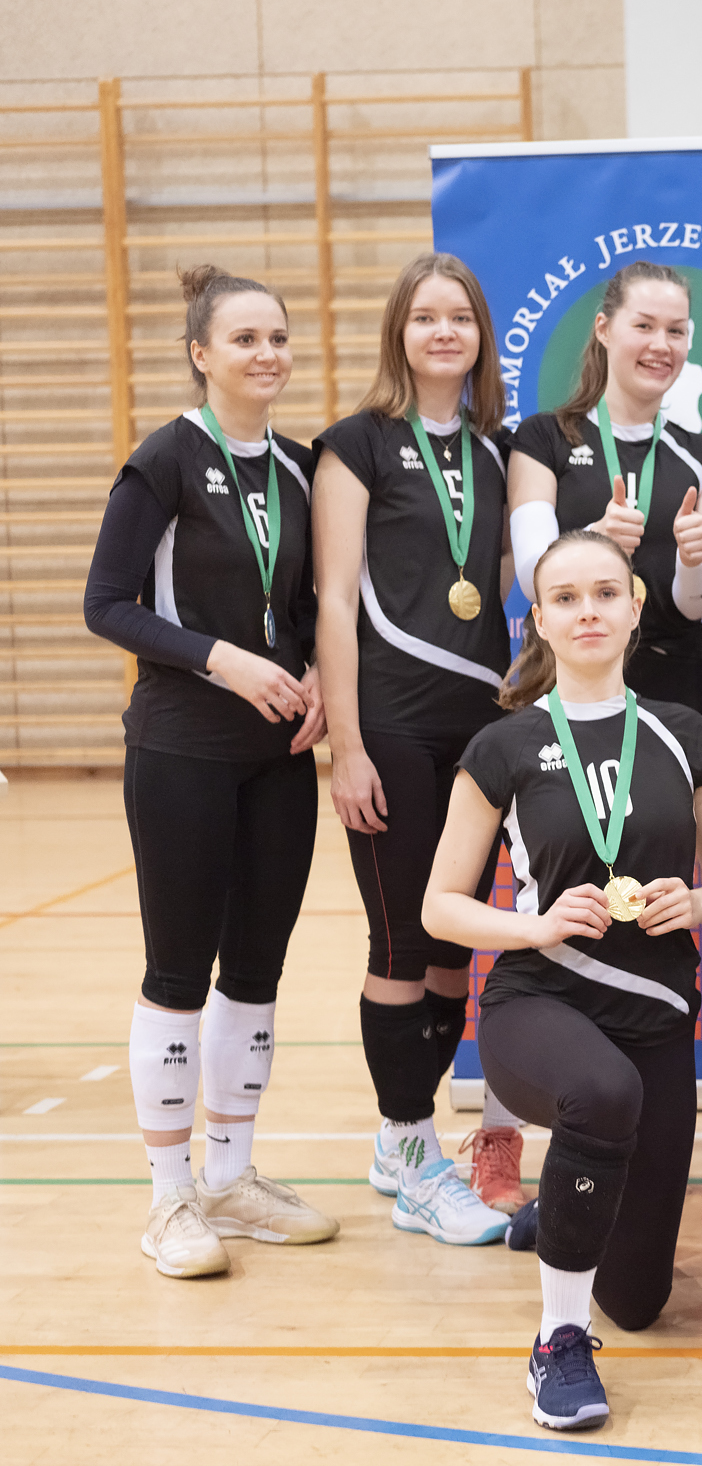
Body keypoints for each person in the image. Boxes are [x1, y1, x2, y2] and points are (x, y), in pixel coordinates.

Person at [421, 528, 702, 1431]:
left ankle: (553, 1218)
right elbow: (440, 907)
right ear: (540, 623)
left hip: (657, 1014)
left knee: (639, 1300)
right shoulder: (503, 746)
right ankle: (557, 1341)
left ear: (637, 608)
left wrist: (701, 902)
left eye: (605, 593)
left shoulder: (685, 736)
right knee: (601, 1091)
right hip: (539, 1000)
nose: (588, 610)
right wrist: (534, 924)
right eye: (565, 598)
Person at [83, 264, 336, 1278]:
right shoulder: (165, 461)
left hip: (278, 757)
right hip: (181, 746)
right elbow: (107, 604)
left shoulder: (302, 468)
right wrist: (221, 659)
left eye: (278, 337)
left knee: (257, 969)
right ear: (201, 354)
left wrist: (313, 673)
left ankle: (230, 1179)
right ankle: (169, 1199)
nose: (267, 354)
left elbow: (308, 601)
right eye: (244, 339)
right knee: (178, 974)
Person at [313, 253, 520, 1243]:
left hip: (479, 729)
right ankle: (407, 1145)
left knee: (451, 948)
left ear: (480, 337)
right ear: (399, 330)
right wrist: (345, 747)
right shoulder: (355, 444)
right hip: (389, 723)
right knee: (399, 943)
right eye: (426, 316)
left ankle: (406, 1141)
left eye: (461, 318)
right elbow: (332, 601)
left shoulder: (496, 451)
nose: (444, 332)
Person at [508, 260, 702, 720]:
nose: (661, 345)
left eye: (676, 331)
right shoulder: (544, 438)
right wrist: (595, 539)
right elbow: (530, 578)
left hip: (674, 692)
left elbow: (696, 605)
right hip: (567, 685)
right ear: (604, 329)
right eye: (644, 326)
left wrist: (692, 563)